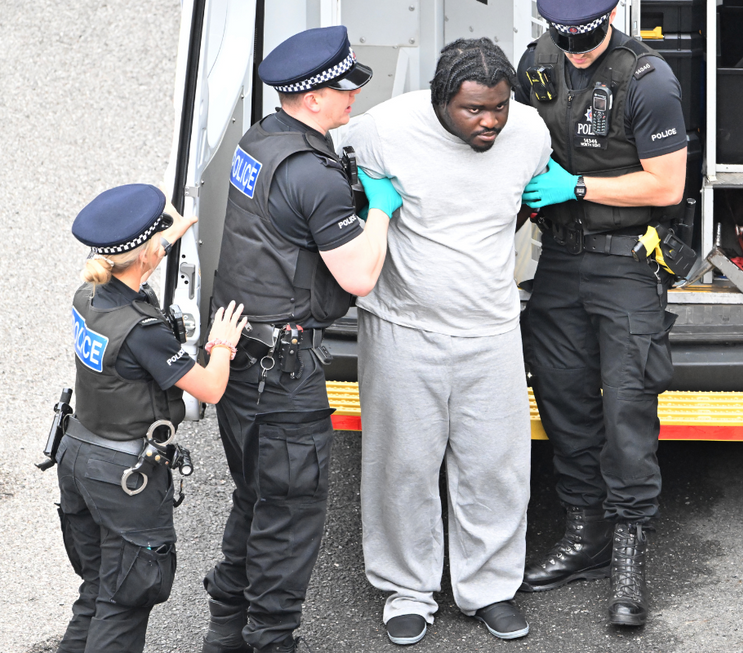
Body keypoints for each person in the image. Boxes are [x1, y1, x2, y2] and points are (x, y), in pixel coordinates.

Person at [341, 38, 551, 646]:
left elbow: (522, 202)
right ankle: (407, 589)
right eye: (473, 110)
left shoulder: (530, 133)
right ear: (440, 100)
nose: (490, 121)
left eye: (499, 107)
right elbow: (334, 186)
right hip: (404, 325)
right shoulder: (381, 131)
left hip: (491, 326)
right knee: (402, 466)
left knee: (496, 467)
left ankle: (489, 589)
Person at [200, 26, 400, 653]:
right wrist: (380, 211)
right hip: (283, 374)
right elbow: (360, 276)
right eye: (344, 89)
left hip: (239, 358)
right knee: (289, 516)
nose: (352, 99)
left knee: (255, 496)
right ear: (312, 98)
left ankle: (225, 630)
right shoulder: (312, 175)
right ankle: (271, 640)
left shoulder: (261, 138)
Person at [514, 0, 687, 628]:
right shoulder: (535, 63)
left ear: (608, 19)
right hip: (559, 258)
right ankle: (584, 535)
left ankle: (629, 553)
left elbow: (666, 184)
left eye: (588, 41)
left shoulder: (648, 78)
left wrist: (579, 187)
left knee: (629, 408)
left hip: (625, 263)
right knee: (563, 399)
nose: (578, 51)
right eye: (568, 42)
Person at [56, 183, 246, 653]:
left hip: (78, 456)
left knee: (98, 588)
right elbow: (211, 388)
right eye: (155, 244)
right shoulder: (144, 333)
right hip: (123, 480)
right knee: (125, 601)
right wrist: (222, 343)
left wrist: (171, 234)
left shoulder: (89, 294)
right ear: (141, 256)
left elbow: (136, 260)